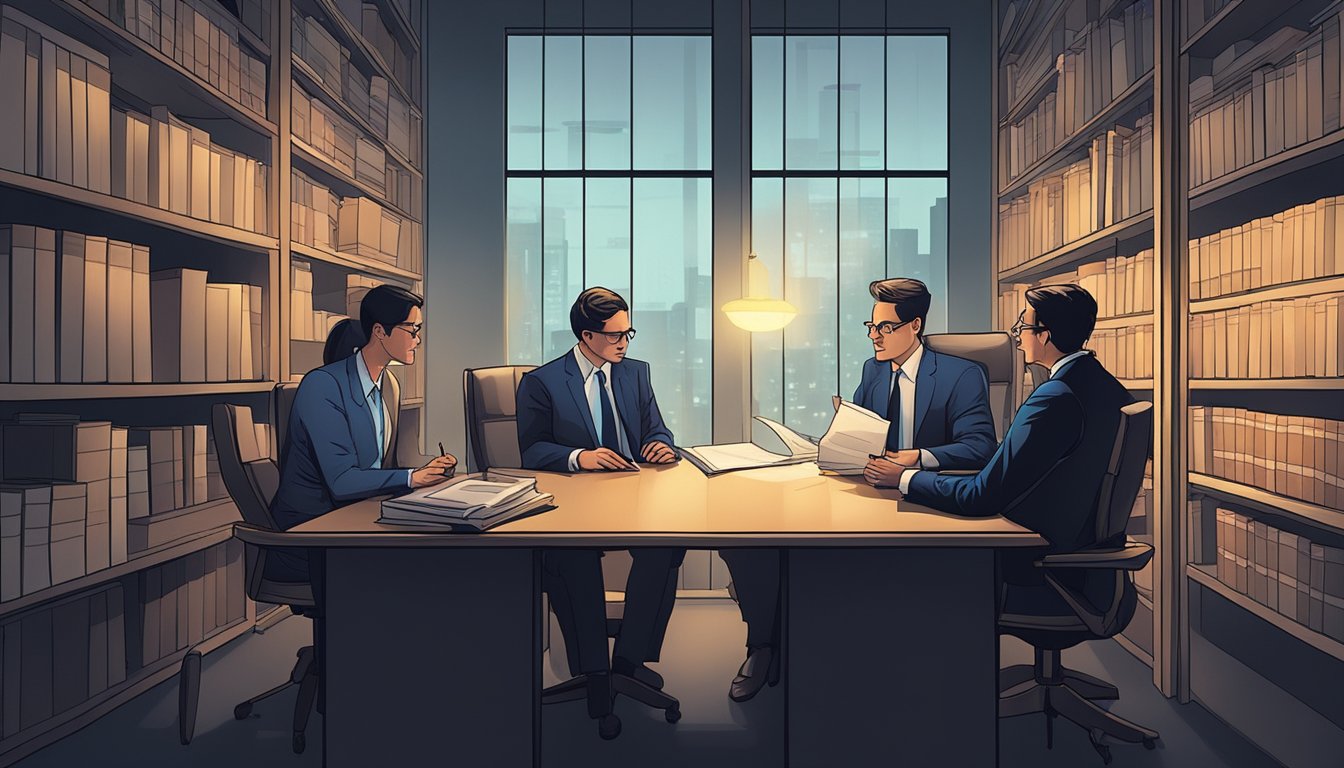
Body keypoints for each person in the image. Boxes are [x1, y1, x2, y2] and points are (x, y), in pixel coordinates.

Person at [720, 277, 997, 703]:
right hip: (866, 496)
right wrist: (839, 435)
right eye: (870, 327)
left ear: (915, 325)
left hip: (924, 503)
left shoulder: (962, 376)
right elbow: (860, 435)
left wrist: (913, 457)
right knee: (751, 541)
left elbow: (979, 446)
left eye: (884, 327)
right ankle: (764, 647)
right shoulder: (873, 371)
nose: (874, 337)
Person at [888, 284, 1134, 599]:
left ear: (1045, 335)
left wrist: (905, 479)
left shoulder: (1054, 398)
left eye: (1023, 326)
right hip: (1084, 561)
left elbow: (980, 497)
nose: (1017, 336)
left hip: (1039, 570)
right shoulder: (1104, 384)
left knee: (919, 577)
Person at [515, 287, 683, 738]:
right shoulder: (543, 382)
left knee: (666, 548)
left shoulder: (635, 374)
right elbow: (530, 451)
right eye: (615, 336)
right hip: (574, 502)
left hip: (634, 496)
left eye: (629, 332)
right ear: (587, 335)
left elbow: (658, 427)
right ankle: (593, 673)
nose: (625, 343)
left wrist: (662, 445)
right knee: (574, 556)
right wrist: (578, 457)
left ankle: (627, 660)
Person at [269, 285, 457, 580]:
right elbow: (342, 481)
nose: (418, 340)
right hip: (314, 533)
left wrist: (426, 471)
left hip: (361, 516)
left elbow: (379, 466)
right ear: (380, 332)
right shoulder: (323, 386)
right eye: (412, 329)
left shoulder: (388, 385)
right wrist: (412, 478)